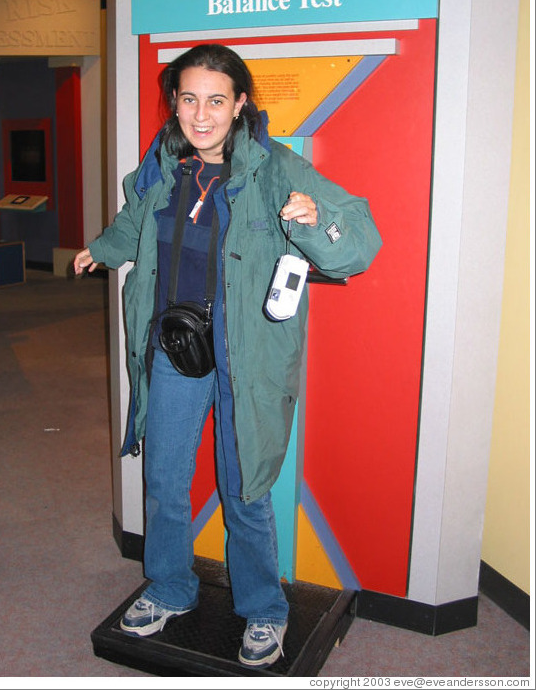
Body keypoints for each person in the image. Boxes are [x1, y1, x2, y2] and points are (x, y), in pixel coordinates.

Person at [74, 44, 382, 668]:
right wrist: (102, 251)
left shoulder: (277, 169)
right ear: (176, 104)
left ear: (240, 103)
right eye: (189, 99)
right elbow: (136, 221)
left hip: (246, 355)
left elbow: (357, 245)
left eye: (217, 99)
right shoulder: (162, 163)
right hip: (176, 345)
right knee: (162, 476)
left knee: (243, 487)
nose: (202, 114)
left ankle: (264, 609)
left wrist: (316, 219)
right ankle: (169, 585)